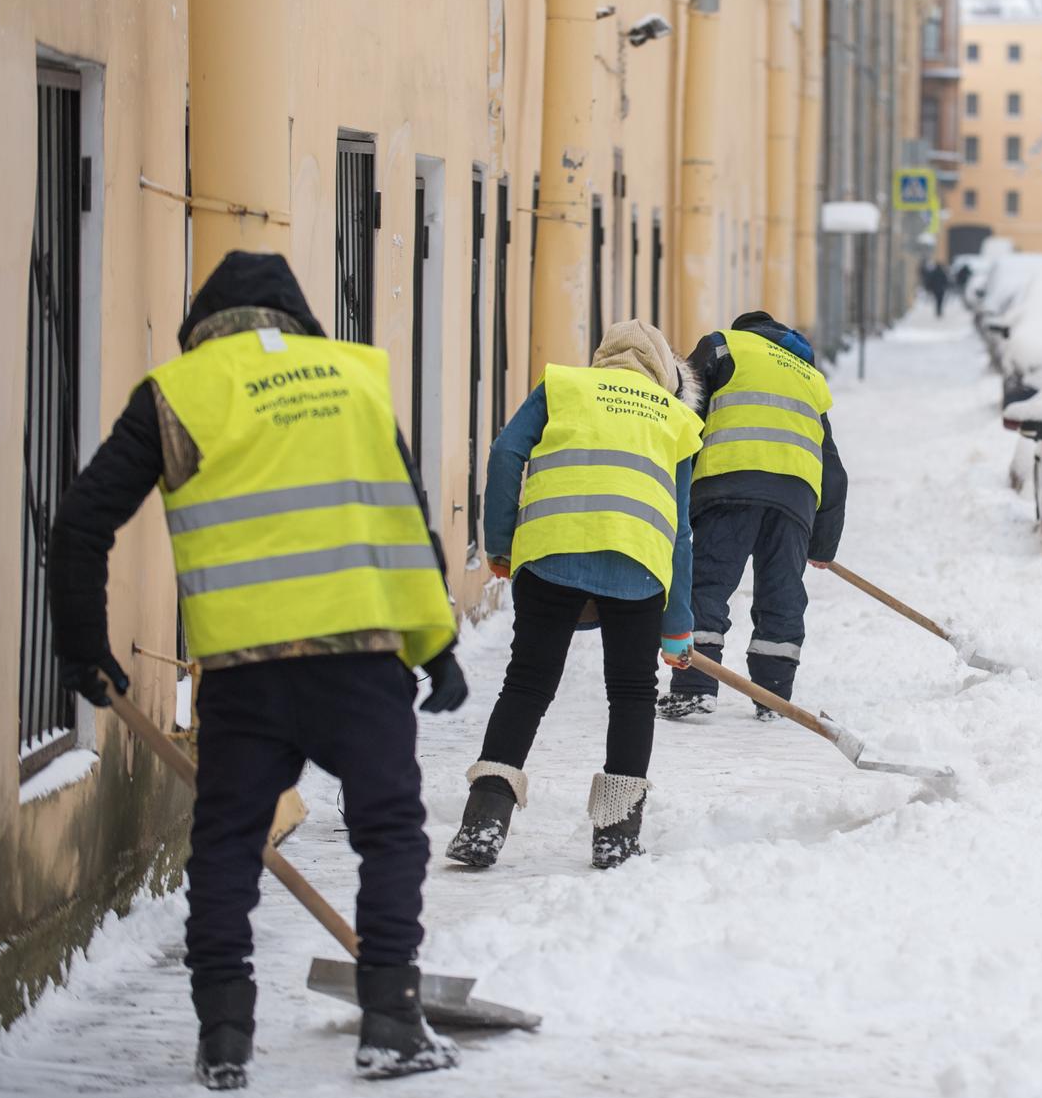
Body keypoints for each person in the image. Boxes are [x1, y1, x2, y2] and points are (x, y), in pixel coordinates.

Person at [47, 252, 468, 1089]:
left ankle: (224, 1037)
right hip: (361, 660)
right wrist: (437, 644)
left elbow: (82, 522)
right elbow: (404, 515)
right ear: (296, 314)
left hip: (244, 673)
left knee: (228, 847)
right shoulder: (355, 378)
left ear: (205, 322)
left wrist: (84, 648)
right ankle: (391, 1018)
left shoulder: (180, 390)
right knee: (389, 833)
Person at [447, 320, 704, 871]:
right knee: (633, 693)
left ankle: (483, 822)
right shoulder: (677, 418)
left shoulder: (563, 386)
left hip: (551, 551)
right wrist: (677, 624)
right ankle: (616, 834)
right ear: (665, 374)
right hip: (637, 562)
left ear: (602, 360)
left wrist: (500, 542)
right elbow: (681, 530)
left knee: (527, 684)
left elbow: (504, 453)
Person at [657, 311, 847, 721]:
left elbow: (685, 414)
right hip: (795, 496)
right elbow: (833, 469)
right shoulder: (809, 375)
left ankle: (694, 687)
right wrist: (822, 545)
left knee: (706, 584)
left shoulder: (722, 346)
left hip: (729, 484)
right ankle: (772, 695)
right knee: (782, 593)